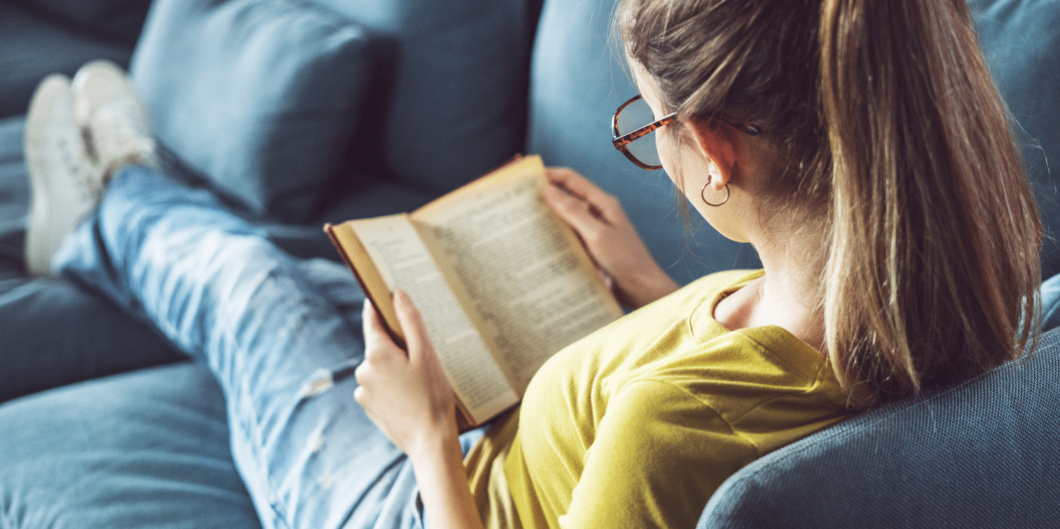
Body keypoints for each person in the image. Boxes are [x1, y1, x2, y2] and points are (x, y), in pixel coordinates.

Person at [19, 0, 1040, 528]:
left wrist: (423, 436)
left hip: (418, 499)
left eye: (650, 127)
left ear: (718, 153)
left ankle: (105, 206)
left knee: (255, 291)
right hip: (508, 453)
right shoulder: (969, 296)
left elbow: (692, 426)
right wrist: (651, 290)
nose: (650, 142)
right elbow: (761, 384)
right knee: (339, 287)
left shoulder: (665, 428)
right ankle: (128, 195)